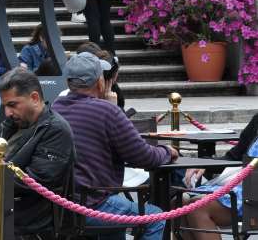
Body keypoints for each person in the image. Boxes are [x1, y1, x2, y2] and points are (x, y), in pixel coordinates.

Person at [51, 52, 177, 239]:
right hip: (92, 204)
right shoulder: (107, 110)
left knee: (115, 217)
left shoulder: (55, 108)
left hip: (60, 206)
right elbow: (144, 156)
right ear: (100, 82)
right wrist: (167, 151)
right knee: (155, 218)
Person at [0, 69, 75, 239]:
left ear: (34, 98)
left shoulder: (56, 130)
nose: (7, 112)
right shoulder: (11, 123)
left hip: (26, 220)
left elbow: (34, 181)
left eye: (12, 105)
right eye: (5, 106)